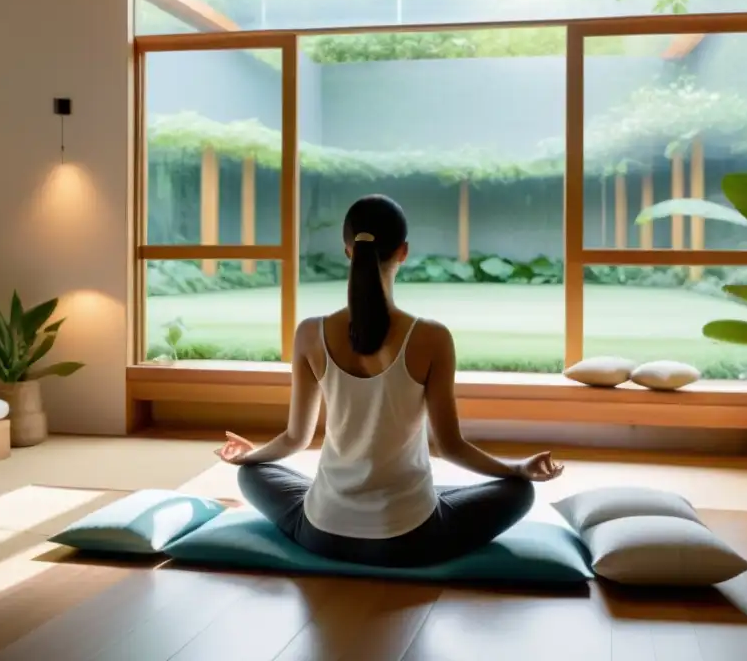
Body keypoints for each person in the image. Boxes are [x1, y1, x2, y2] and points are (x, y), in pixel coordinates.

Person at [215, 194, 564, 568]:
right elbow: (450, 447)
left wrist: (250, 457)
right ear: (404, 251)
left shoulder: (309, 333)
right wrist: (516, 469)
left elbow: (296, 439)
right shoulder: (431, 338)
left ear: (348, 251)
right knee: (519, 493)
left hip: (322, 532)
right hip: (410, 538)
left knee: (252, 475)